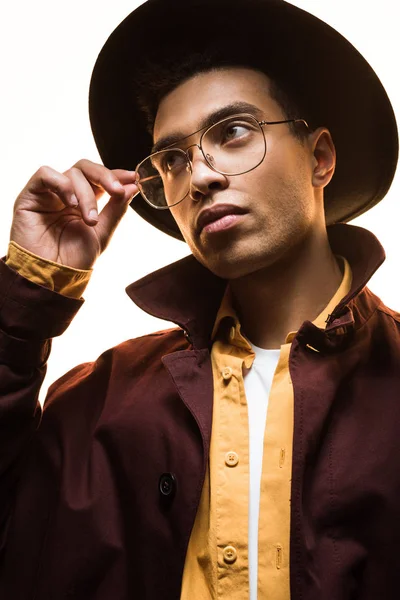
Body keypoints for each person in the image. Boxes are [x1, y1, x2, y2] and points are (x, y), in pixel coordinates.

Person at [0, 0, 399, 598]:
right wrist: (26, 303)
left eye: (233, 132)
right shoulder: (100, 402)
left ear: (319, 158)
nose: (201, 176)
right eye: (173, 159)